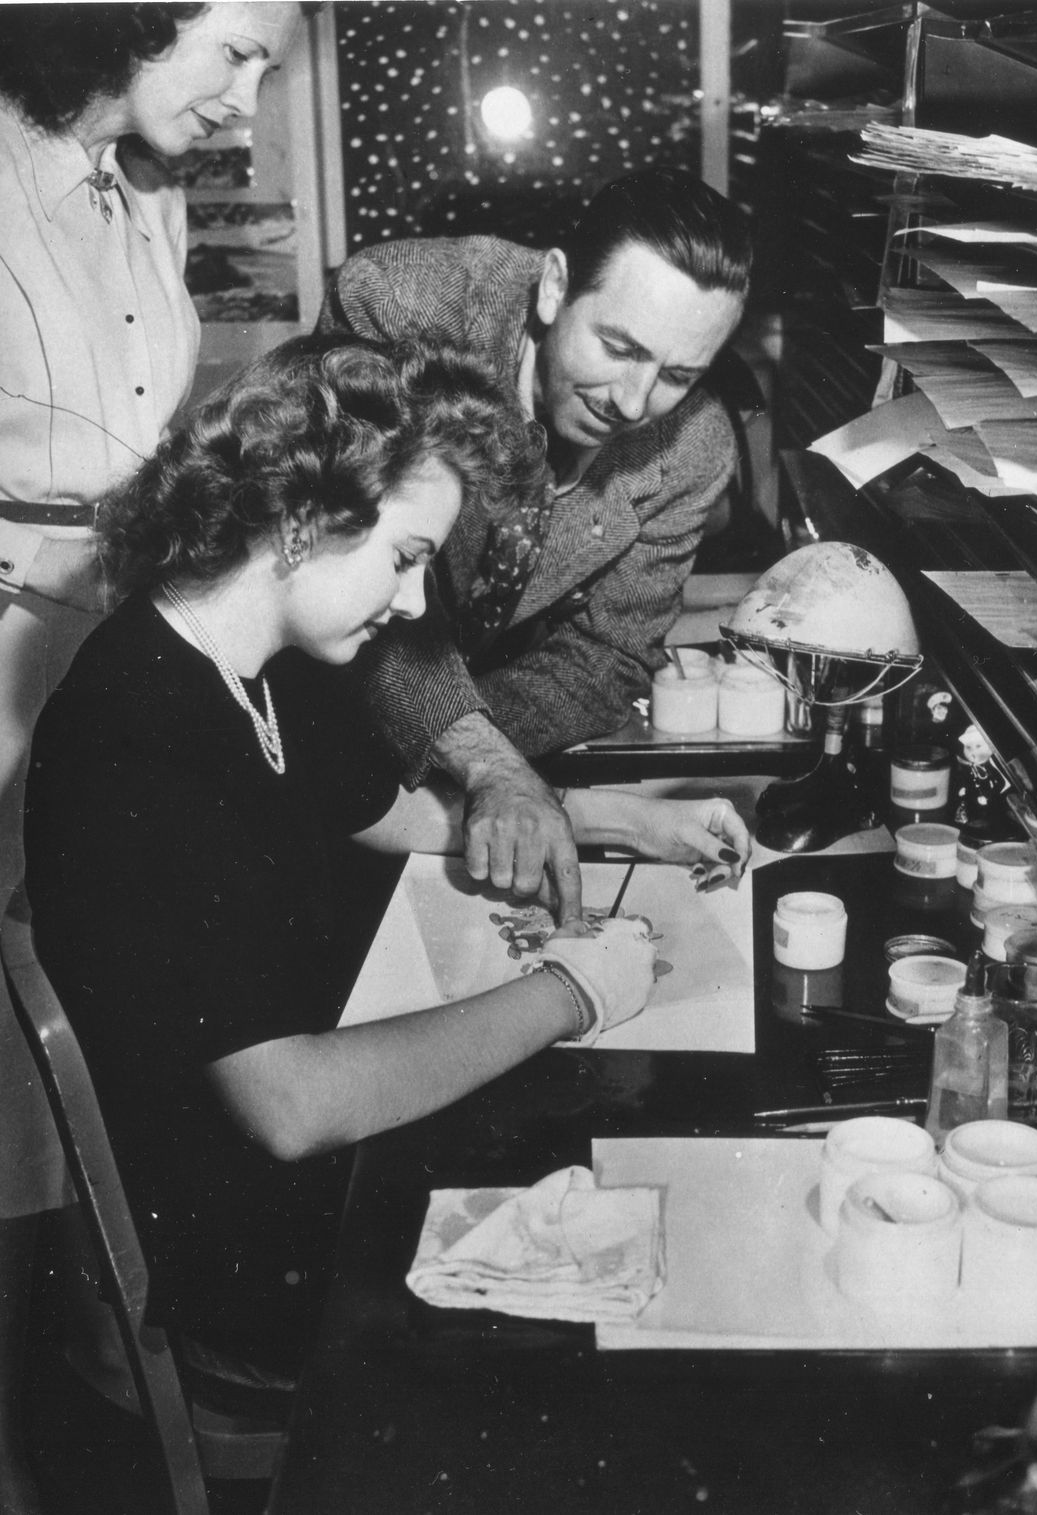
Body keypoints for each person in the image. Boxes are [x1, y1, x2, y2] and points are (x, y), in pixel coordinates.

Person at [23, 333, 750, 1381]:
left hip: (318, 1166)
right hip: (260, 1247)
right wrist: (573, 990)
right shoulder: (135, 731)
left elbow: (399, 815)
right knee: (658, 1284)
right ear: (305, 517)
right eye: (407, 559)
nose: (413, 606)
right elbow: (293, 1108)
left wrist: (625, 820)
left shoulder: (260, 664)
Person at [0, 6, 302, 1505]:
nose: (252, 97)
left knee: (64, 1089)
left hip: (99, 648)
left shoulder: (149, 181)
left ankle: (68, 1406)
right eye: (237, 52)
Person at [317, 167, 752, 923]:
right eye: (618, 346)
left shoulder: (695, 446)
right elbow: (355, 570)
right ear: (554, 287)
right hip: (309, 703)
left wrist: (471, 765)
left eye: (678, 374)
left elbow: (605, 657)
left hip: (434, 764)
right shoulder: (399, 307)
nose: (633, 402)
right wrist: (482, 760)